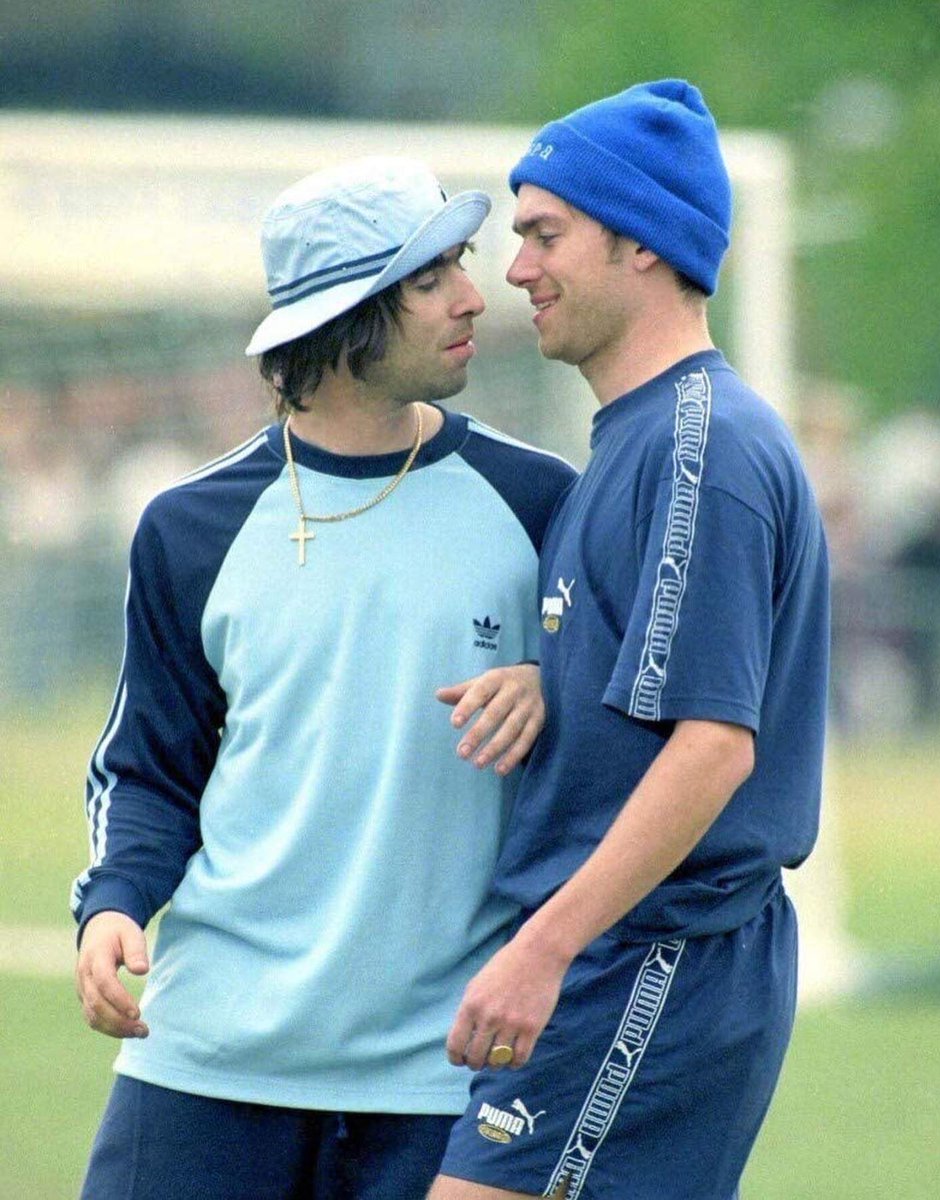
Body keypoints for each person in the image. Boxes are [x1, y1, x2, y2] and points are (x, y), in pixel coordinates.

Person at [72, 156, 576, 1200]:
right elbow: (151, 768)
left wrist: (549, 684)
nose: (475, 297)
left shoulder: (541, 504)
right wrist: (117, 900)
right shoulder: (189, 528)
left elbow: (617, 743)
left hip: (441, 1079)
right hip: (204, 1057)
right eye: (431, 278)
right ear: (350, 314)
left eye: (463, 268)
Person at [432, 80, 830, 1200]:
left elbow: (713, 744)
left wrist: (544, 949)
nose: (516, 270)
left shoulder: (700, 447)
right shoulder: (638, 440)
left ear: (642, 244)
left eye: (545, 234)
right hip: (628, 959)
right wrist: (549, 680)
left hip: (650, 962)